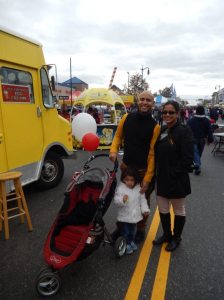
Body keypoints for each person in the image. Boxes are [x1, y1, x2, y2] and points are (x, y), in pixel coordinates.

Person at [109, 90, 160, 242]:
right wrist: (113, 150)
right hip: (126, 169)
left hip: (143, 171)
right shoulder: (126, 118)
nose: (145, 102)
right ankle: (121, 226)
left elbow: (152, 153)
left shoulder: (155, 127)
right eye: (142, 99)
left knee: (142, 200)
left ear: (153, 104)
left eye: (148, 100)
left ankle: (141, 228)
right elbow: (118, 136)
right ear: (138, 101)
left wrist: (148, 178)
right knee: (124, 199)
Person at [153, 100, 194, 252]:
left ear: (177, 113)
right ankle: (167, 235)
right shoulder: (162, 130)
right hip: (162, 178)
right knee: (163, 209)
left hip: (177, 179)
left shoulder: (184, 131)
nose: (167, 115)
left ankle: (177, 238)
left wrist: (174, 174)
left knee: (178, 210)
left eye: (171, 112)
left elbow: (188, 158)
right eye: (165, 112)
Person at [114, 167, 150, 254]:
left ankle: (130, 241)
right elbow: (116, 201)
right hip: (124, 217)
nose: (129, 182)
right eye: (127, 180)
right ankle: (126, 244)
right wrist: (122, 200)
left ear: (136, 180)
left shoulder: (139, 188)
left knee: (132, 232)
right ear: (123, 179)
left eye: (132, 180)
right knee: (125, 232)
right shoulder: (121, 189)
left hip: (134, 217)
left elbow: (143, 200)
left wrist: (145, 209)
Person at [187, 106, 214, 175]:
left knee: (196, 153)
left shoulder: (191, 120)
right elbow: (209, 131)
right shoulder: (206, 120)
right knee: (198, 153)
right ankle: (198, 166)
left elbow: (187, 130)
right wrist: (210, 140)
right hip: (202, 139)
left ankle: (197, 164)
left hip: (193, 139)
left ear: (196, 111)